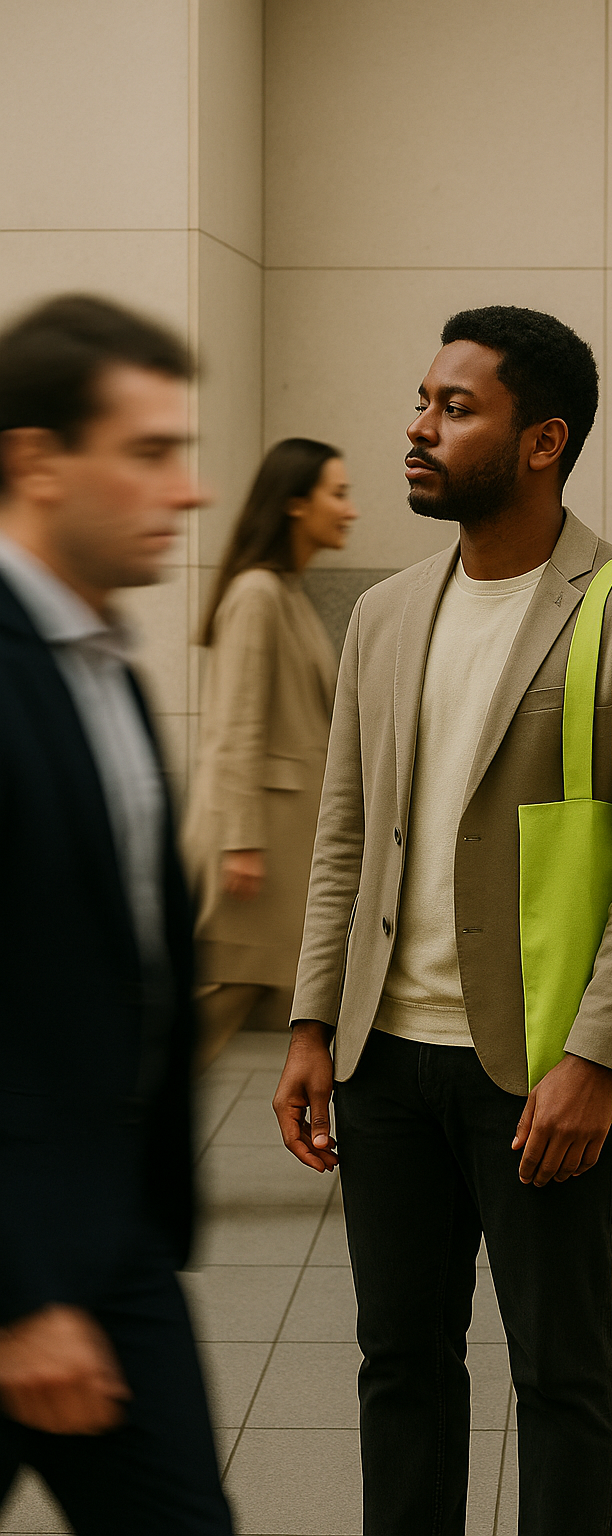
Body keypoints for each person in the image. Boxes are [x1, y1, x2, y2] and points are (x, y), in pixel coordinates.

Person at [271, 305, 612, 1535]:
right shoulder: (384, 614)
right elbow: (345, 837)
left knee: (558, 1370)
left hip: (540, 1070)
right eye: (422, 400)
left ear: (542, 439)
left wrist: (598, 1059)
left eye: (454, 408)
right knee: (399, 1365)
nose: (417, 429)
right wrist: (314, 1021)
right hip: (384, 1060)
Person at [0, 295, 232, 1532]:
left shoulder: (102, 666)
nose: (187, 491)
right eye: (150, 452)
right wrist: (17, 1300)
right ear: (37, 460)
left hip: (109, 1239)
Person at [184, 438, 354, 1069]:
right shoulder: (259, 594)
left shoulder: (283, 592)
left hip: (275, 854)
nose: (349, 510)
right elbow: (234, 727)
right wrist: (241, 842)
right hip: (256, 858)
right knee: (214, 1000)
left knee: (228, 996)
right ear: (292, 504)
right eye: (337, 493)